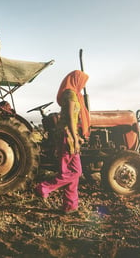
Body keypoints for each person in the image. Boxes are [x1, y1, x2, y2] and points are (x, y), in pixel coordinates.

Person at [35, 70, 90, 214]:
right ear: (76, 80)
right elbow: (71, 119)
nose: (83, 85)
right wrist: (75, 138)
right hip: (67, 136)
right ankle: (44, 187)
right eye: (82, 82)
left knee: (71, 172)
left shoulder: (71, 93)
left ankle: (70, 205)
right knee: (76, 172)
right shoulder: (71, 94)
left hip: (69, 134)